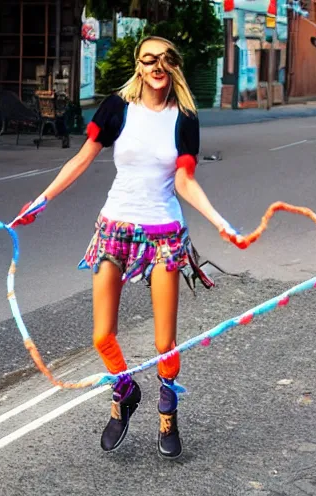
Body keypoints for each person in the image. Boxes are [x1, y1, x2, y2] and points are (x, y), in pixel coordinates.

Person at [16, 36, 238, 459]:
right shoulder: (117, 107)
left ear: (174, 66)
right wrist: (40, 202)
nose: (157, 66)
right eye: (148, 59)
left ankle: (168, 410)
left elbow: (185, 181)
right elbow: (80, 159)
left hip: (164, 235)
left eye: (165, 59)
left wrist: (221, 223)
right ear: (138, 65)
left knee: (164, 343)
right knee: (102, 336)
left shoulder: (185, 118)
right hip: (114, 227)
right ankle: (125, 389)